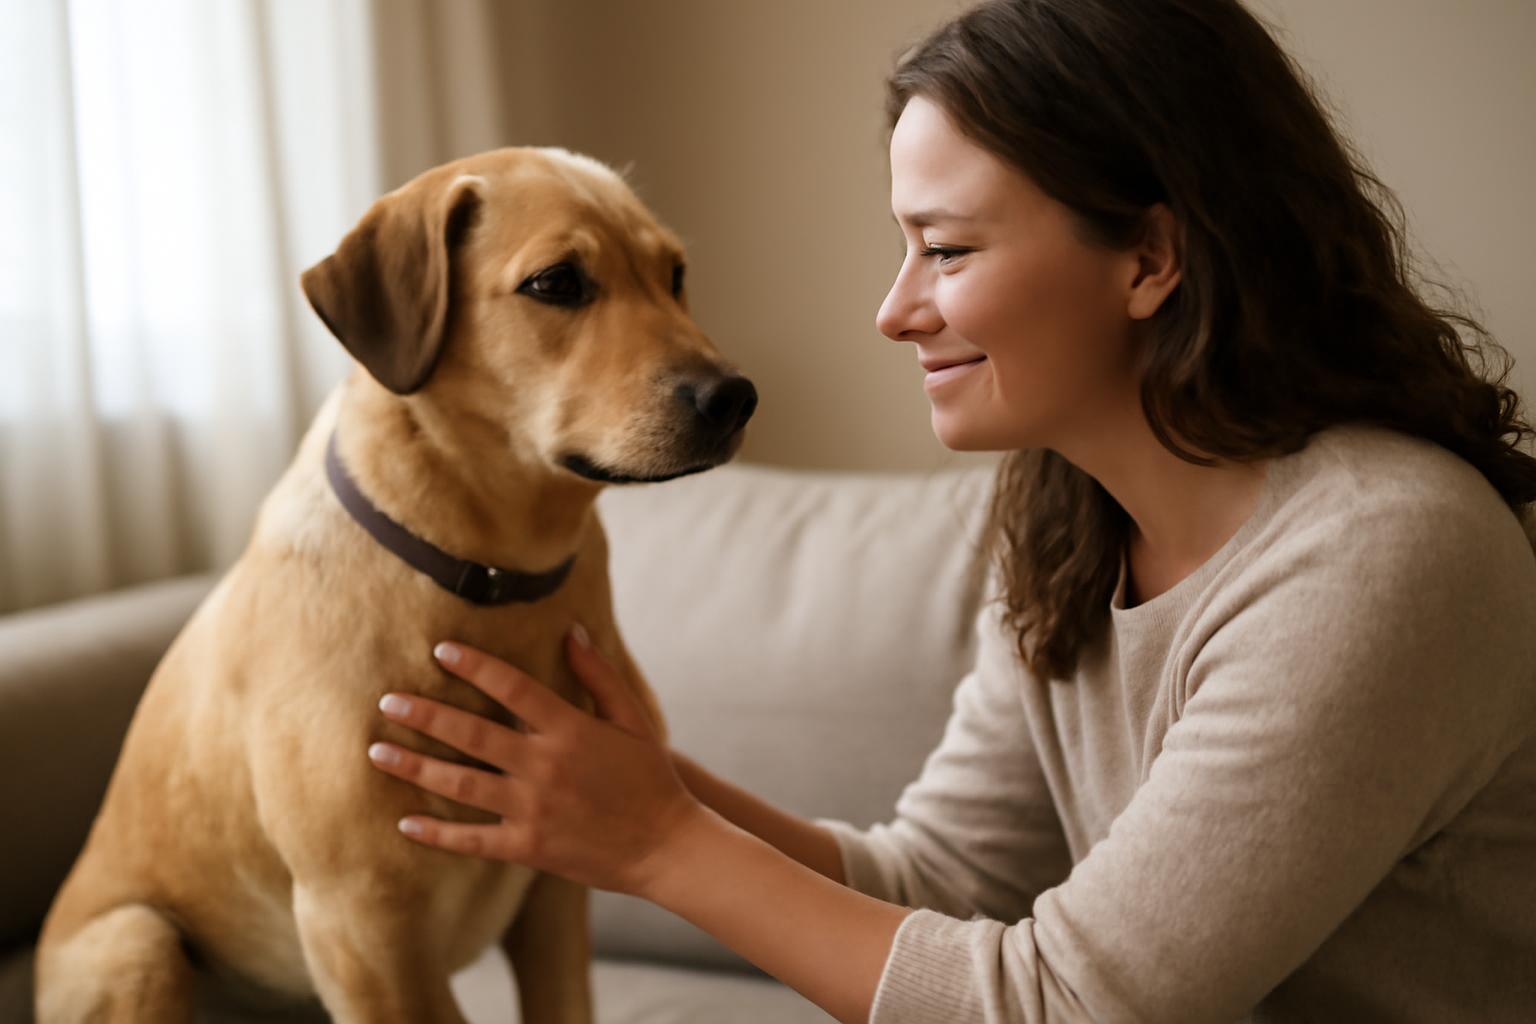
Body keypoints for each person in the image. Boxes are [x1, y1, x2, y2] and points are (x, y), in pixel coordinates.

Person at [363, 0, 1536, 1020]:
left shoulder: (1383, 551)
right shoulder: (1068, 518)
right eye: (903, 247)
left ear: (1149, 260)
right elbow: (942, 883)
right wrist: (653, 790)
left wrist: (659, 844)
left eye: (947, 249)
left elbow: (1063, 1004)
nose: (894, 309)